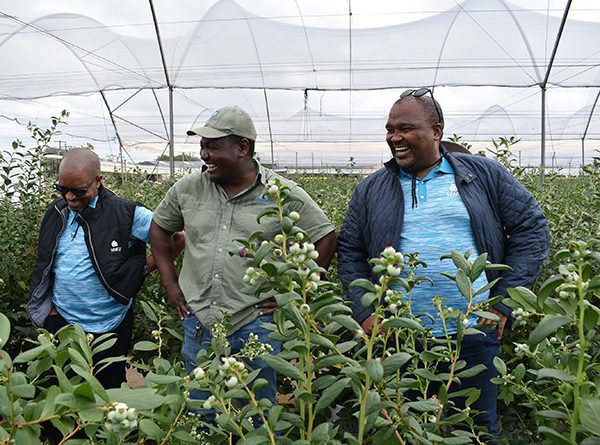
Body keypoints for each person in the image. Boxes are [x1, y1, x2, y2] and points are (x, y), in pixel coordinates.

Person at [337, 88, 550, 436]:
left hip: (473, 333)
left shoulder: (483, 174)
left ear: (436, 131)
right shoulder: (372, 188)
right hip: (399, 337)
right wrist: (366, 313)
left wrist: (506, 302)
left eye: (405, 128)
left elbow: (532, 229)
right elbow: (350, 252)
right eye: (390, 129)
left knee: (477, 430)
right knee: (405, 429)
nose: (395, 137)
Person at [150, 106, 337, 419]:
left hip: (255, 324)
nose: (204, 154)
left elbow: (326, 237)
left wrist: (293, 292)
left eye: (212, 146)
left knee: (257, 414)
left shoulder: (280, 194)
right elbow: (159, 227)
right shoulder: (189, 188)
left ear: (242, 147)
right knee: (203, 410)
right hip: (200, 321)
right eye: (202, 146)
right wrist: (170, 283)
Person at [28, 147, 183, 389]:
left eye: (79, 191)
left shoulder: (127, 214)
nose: (69, 197)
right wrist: (51, 313)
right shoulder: (57, 211)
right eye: (62, 188)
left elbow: (176, 238)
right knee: (58, 395)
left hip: (109, 325)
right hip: (62, 321)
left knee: (107, 397)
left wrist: (142, 268)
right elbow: (46, 263)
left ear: (99, 181)